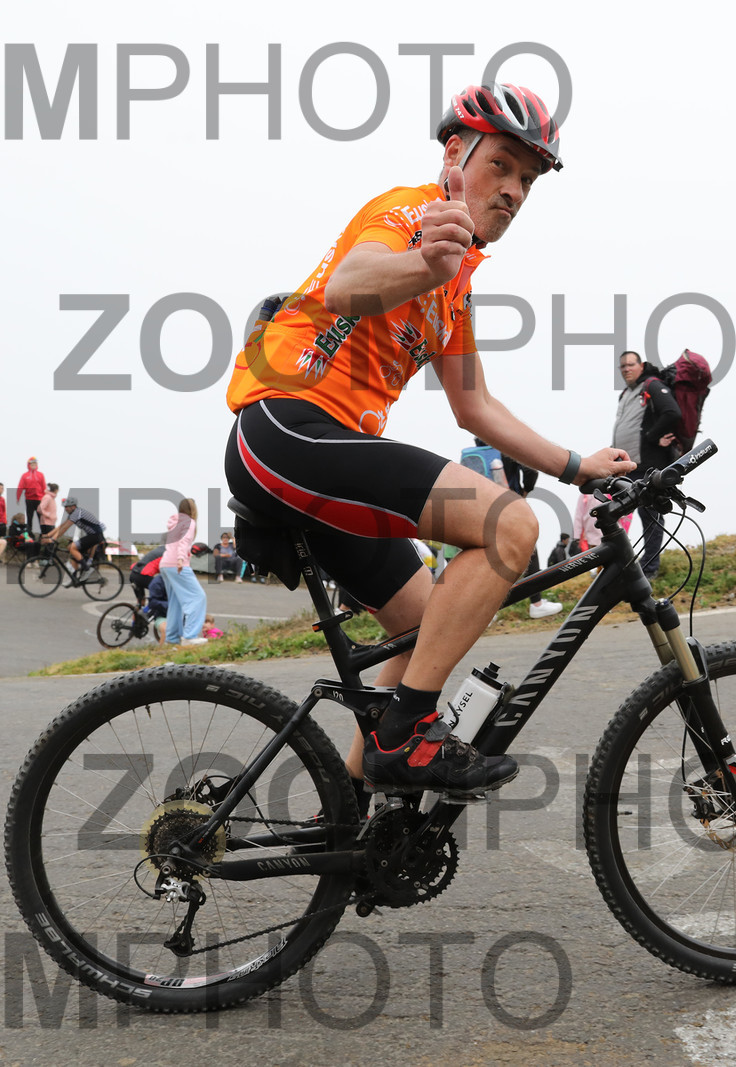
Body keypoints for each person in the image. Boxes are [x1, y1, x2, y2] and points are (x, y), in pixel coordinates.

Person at [223, 82, 632, 796]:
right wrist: (425, 263)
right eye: (500, 165)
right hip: (285, 426)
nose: (513, 191)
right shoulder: (411, 212)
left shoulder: (455, 287)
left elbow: (475, 407)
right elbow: (347, 285)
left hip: (320, 454)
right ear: (454, 154)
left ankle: (351, 811)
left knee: (420, 623)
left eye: (528, 181)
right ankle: (407, 736)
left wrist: (578, 466)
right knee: (510, 524)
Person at [612, 350, 681, 579]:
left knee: (650, 515)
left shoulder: (651, 385)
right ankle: (620, 565)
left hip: (649, 464)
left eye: (630, 365)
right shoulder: (626, 393)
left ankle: (649, 567)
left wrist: (652, 436)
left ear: (641, 366)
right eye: (622, 366)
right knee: (615, 513)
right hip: (629, 466)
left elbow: (672, 412)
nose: (626, 369)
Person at [481, 439, 561, 618]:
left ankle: (485, 611)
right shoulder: (503, 439)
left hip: (483, 505)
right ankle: (537, 603)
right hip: (508, 503)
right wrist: (526, 490)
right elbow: (530, 470)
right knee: (530, 546)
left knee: (489, 556)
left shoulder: (479, 443)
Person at [161, 499, 208, 647]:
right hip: (177, 564)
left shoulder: (175, 522)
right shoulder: (189, 522)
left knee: (175, 602)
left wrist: (184, 555)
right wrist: (181, 558)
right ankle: (190, 636)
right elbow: (183, 541)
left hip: (166, 564)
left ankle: (172, 638)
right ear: (193, 509)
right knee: (198, 597)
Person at [43, 496, 106, 577]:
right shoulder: (72, 514)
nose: (65, 509)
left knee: (72, 547)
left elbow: (65, 528)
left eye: (67, 507)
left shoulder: (77, 513)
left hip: (96, 535)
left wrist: (52, 539)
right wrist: (47, 535)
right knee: (74, 554)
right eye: (64, 507)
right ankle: (74, 578)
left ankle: (87, 569)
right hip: (93, 535)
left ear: (73, 506)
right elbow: (61, 526)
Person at [16, 458, 46, 533]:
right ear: (29, 465)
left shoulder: (40, 475)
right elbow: (20, 487)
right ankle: (29, 533)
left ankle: (43, 534)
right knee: (29, 517)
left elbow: (44, 487)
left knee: (41, 518)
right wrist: (18, 498)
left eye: (35, 464)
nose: (33, 465)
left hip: (39, 499)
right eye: (32, 464)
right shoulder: (25, 475)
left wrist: (45, 499)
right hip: (29, 499)